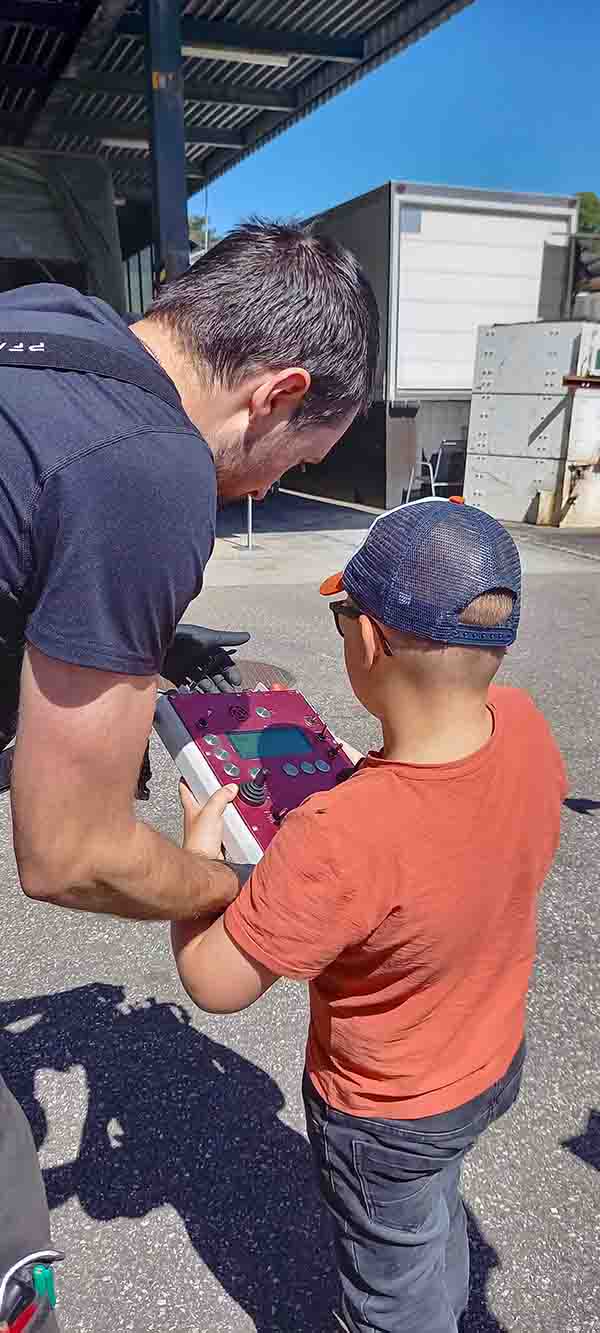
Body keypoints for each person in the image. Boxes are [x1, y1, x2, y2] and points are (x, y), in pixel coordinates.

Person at [0, 219, 379, 1323]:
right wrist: (243, 886)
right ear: (277, 391)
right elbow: (68, 854)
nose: (260, 487)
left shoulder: (41, 327)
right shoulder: (148, 465)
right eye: (293, 466)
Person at [171, 498, 567, 1333]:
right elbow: (451, 833)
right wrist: (368, 776)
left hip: (388, 1111)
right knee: (428, 1215)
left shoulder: (338, 833)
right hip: (487, 1060)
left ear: (372, 640)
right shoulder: (528, 727)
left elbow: (214, 982)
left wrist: (197, 856)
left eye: (344, 610)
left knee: (390, 1287)